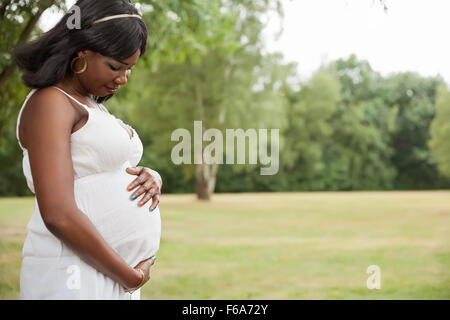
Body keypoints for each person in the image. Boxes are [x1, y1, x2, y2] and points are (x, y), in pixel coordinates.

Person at [12, 0, 162, 299]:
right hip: (73, 273)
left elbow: (103, 170)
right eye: (115, 66)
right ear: (81, 53)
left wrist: (151, 178)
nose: (122, 79)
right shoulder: (50, 102)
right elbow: (58, 213)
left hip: (107, 273)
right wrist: (129, 276)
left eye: (130, 69)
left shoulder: (90, 105)